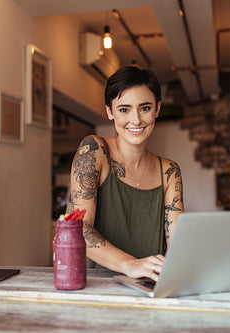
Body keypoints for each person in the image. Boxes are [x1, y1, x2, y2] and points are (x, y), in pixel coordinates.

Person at [67, 65, 185, 282]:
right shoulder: (94, 151)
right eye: (124, 109)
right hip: (97, 287)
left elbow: (178, 243)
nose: (136, 120)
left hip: (149, 286)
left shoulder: (169, 172)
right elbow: (77, 228)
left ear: (157, 109)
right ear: (110, 112)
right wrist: (130, 265)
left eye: (145, 108)